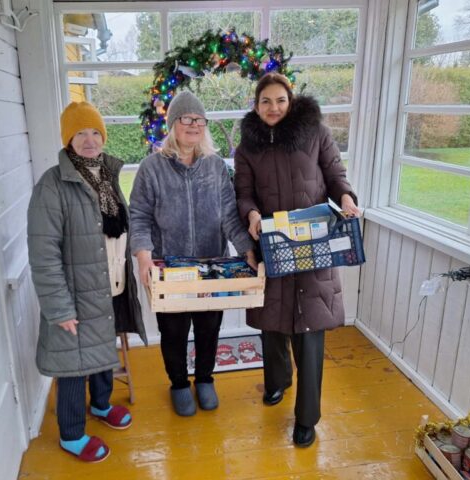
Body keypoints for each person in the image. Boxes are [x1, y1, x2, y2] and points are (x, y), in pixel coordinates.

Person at [234, 72, 361, 448]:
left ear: (291, 101)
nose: (273, 108)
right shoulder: (247, 147)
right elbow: (243, 193)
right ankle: (277, 382)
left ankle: (307, 417)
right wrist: (251, 214)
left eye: (280, 100)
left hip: (313, 243)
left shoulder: (316, 133)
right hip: (272, 242)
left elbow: (336, 175)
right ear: (256, 106)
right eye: (265, 101)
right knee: (271, 322)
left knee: (309, 331)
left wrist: (347, 197)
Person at [27, 101, 147, 463]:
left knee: (101, 351)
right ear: (68, 139)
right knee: (73, 365)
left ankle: (101, 405)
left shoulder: (106, 176)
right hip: (75, 295)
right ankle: (71, 434)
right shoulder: (52, 185)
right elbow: (43, 253)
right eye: (80, 133)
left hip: (110, 286)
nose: (90, 140)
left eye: (95, 132)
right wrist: (59, 308)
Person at [130, 90, 256, 417]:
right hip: (169, 267)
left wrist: (247, 249)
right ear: (173, 124)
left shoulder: (215, 167)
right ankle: (178, 384)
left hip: (212, 265)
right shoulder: (151, 168)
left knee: (208, 328)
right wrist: (143, 255)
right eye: (186, 118)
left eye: (200, 120)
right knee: (173, 331)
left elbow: (229, 215)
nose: (194, 125)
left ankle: (204, 379)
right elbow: (139, 216)